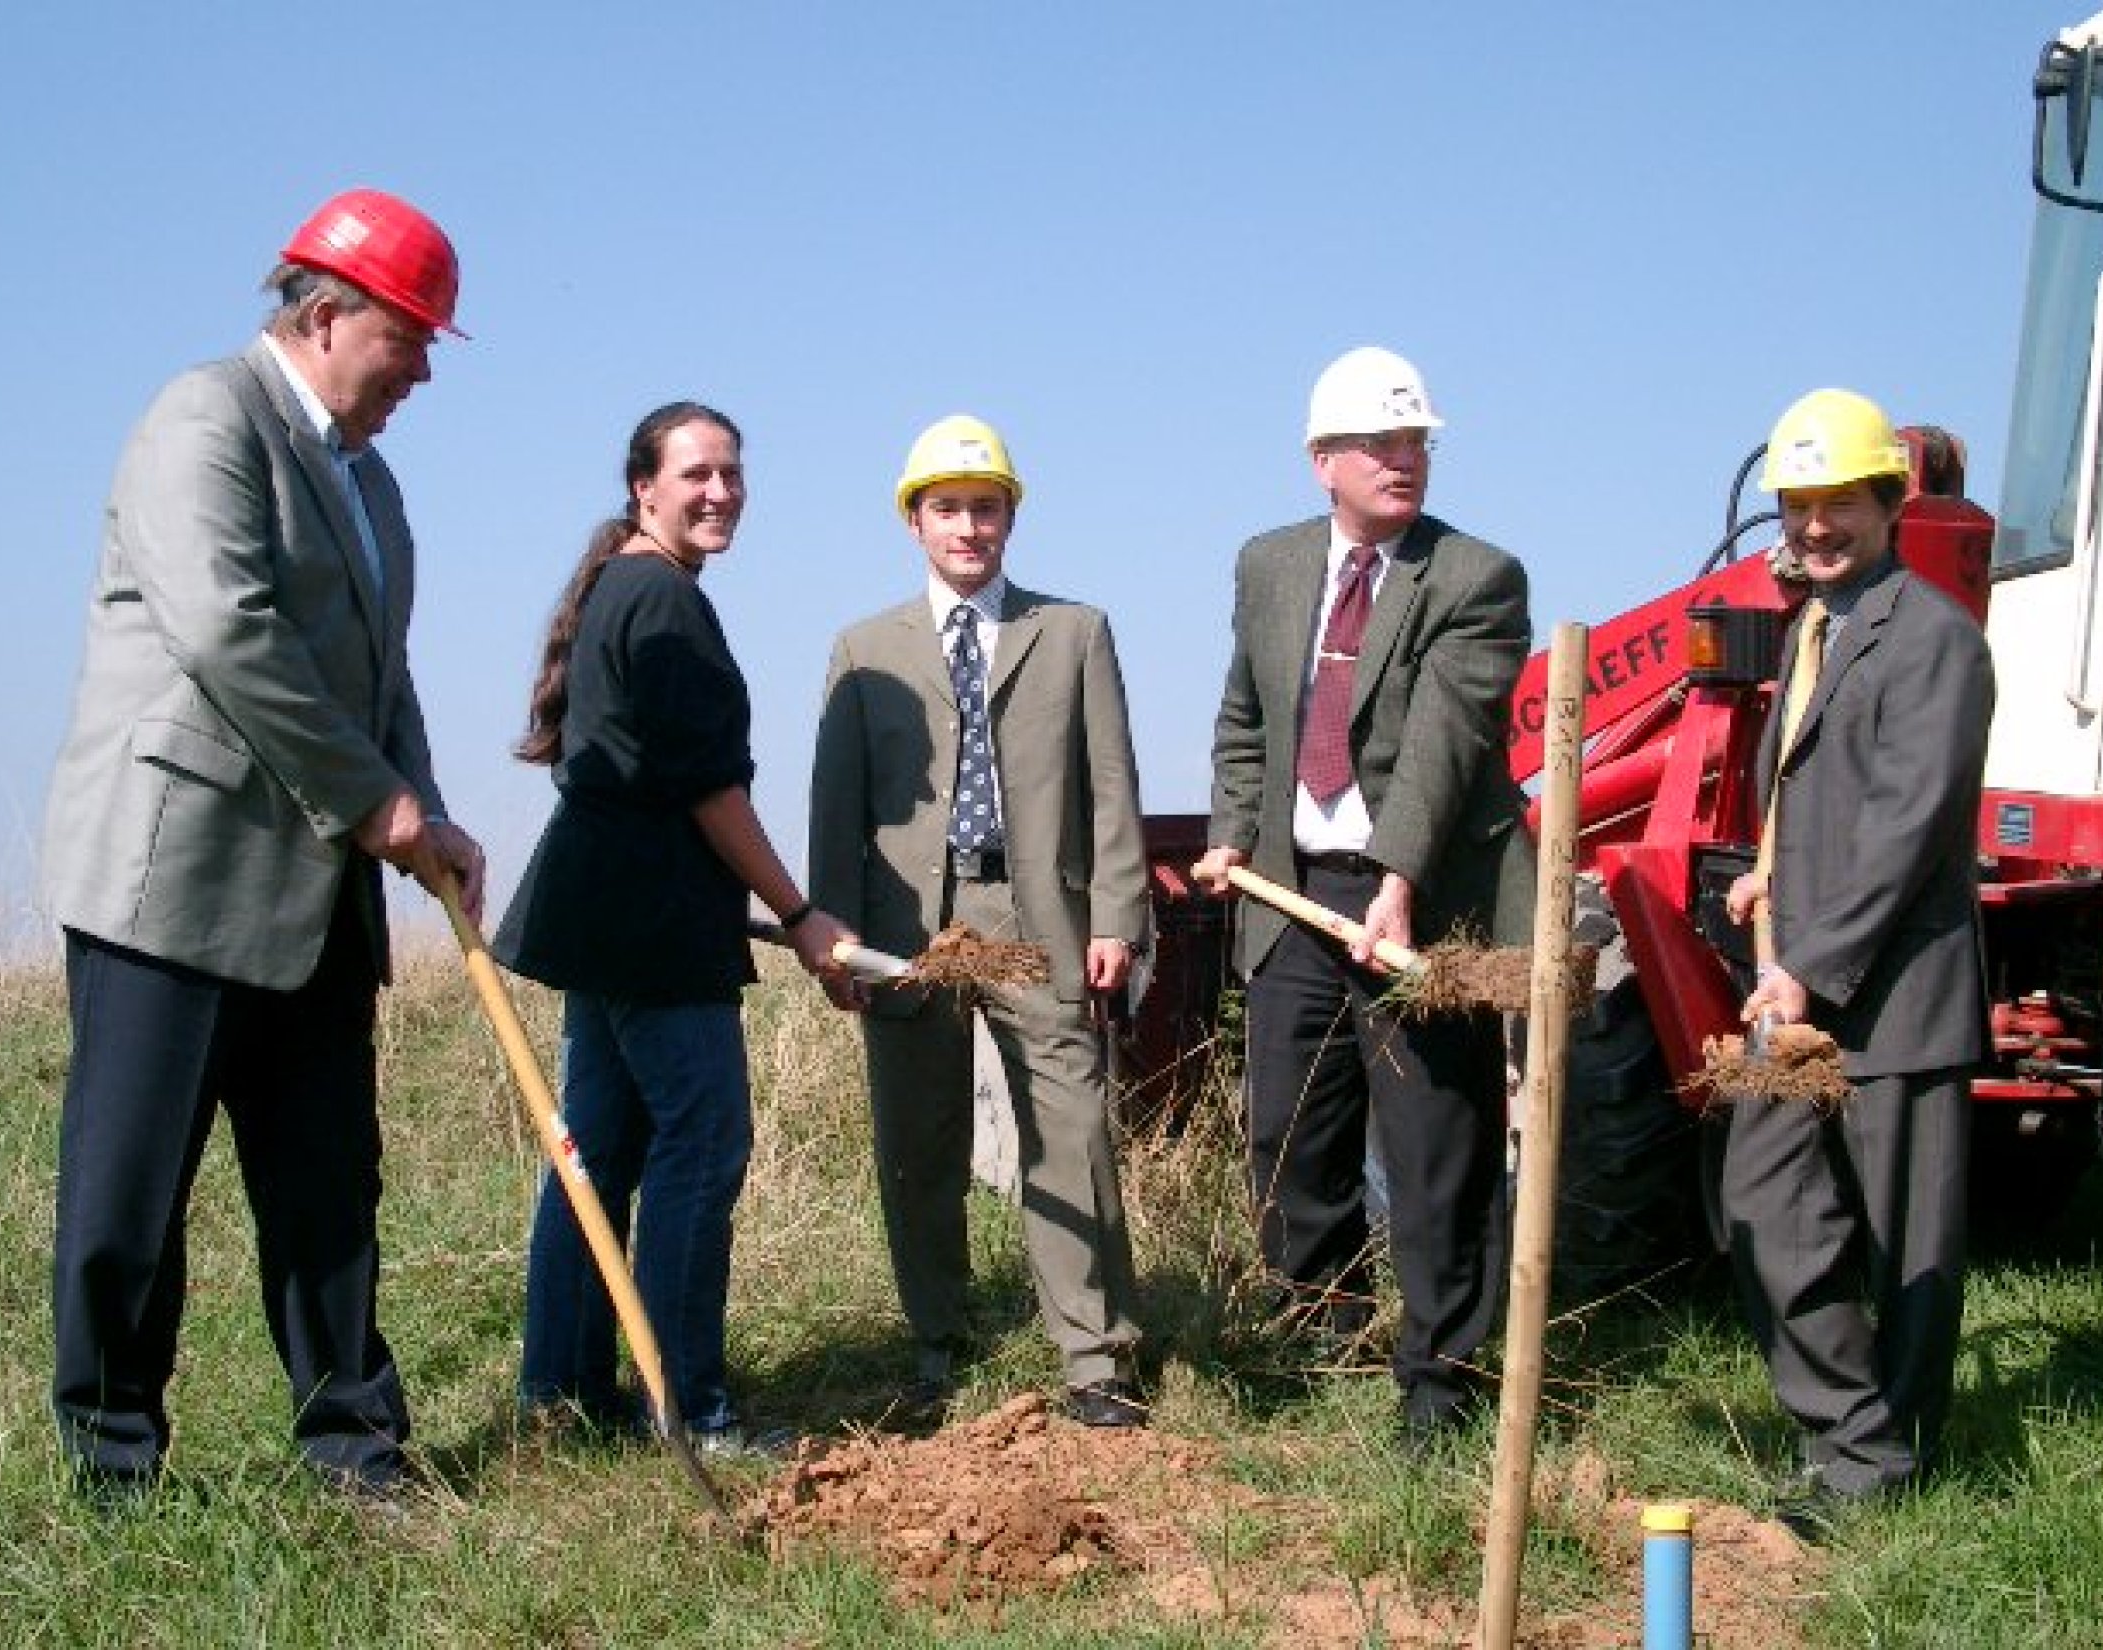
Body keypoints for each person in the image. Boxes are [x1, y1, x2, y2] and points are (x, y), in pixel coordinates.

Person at [40, 187, 486, 1500]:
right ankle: (114, 1468)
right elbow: (228, 633)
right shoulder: (204, 421)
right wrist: (374, 802)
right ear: (329, 312)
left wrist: (424, 810)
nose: (420, 373)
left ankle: (356, 1447)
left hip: (319, 894)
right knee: (130, 1197)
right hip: (173, 883)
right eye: (410, 340)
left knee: (329, 1191)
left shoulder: (374, 486)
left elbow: (383, 677)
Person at [1192, 347, 1534, 1453]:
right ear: (1322, 460)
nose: (1404, 460)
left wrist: (1397, 880)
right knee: (1292, 1131)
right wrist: (1232, 829)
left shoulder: (1476, 578)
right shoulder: (1270, 566)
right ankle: (1317, 1335)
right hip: (1291, 893)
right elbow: (1247, 719)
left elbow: (1442, 748)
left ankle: (1440, 1378)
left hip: (1416, 897)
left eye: (1416, 443)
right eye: (1380, 443)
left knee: (1437, 1145)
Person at [493, 402, 851, 1451]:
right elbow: (709, 790)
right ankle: (689, 1408)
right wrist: (799, 913)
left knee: (598, 1152)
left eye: (732, 472)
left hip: (604, 915)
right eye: (696, 473)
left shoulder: (624, 586)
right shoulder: (662, 600)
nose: (720, 492)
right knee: (704, 1142)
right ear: (643, 487)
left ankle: (562, 1392)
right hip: (650, 927)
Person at [809, 414, 1150, 1427]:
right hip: (906, 926)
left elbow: (1111, 787)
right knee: (917, 1142)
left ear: (1011, 516)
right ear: (914, 522)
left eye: (985, 507)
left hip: (1036, 915)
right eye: (948, 508)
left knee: (1072, 1133)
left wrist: (1117, 917)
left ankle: (1096, 1359)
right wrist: (832, 931)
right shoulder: (864, 650)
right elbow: (836, 805)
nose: (968, 527)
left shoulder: (1073, 632)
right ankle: (937, 1348)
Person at [1721, 388, 1995, 1533]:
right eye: (1798, 503)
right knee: (1760, 1201)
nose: (1816, 524)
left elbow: (1907, 826)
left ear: (1889, 503)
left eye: (1839, 502)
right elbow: (1819, 792)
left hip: (1894, 998)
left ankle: (1884, 1472)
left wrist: (1808, 960)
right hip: (1808, 979)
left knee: (1903, 1251)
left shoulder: (1935, 640)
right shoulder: (1813, 627)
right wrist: (1768, 878)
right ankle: (1852, 1433)